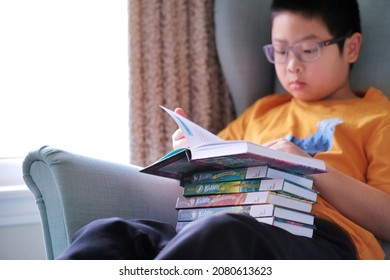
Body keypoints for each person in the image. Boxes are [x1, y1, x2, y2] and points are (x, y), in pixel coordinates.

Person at [58, 0, 390, 260]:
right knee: (110, 235)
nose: (291, 65)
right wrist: (193, 153)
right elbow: (221, 166)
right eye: (280, 50)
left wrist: (310, 167)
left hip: (324, 238)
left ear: (351, 47)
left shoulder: (377, 118)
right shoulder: (262, 111)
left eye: (307, 50)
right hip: (229, 222)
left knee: (223, 231)